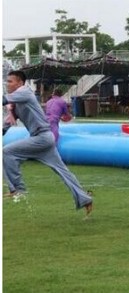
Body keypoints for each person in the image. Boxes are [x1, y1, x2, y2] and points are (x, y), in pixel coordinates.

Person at [3, 70, 93, 216]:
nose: (7, 84)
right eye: (7, 81)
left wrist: (8, 105)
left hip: (42, 138)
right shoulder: (16, 104)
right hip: (45, 138)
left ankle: (17, 189)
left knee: (7, 152)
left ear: (20, 83)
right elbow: (5, 126)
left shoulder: (24, 92)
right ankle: (85, 199)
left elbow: (3, 100)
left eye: (10, 81)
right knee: (63, 171)